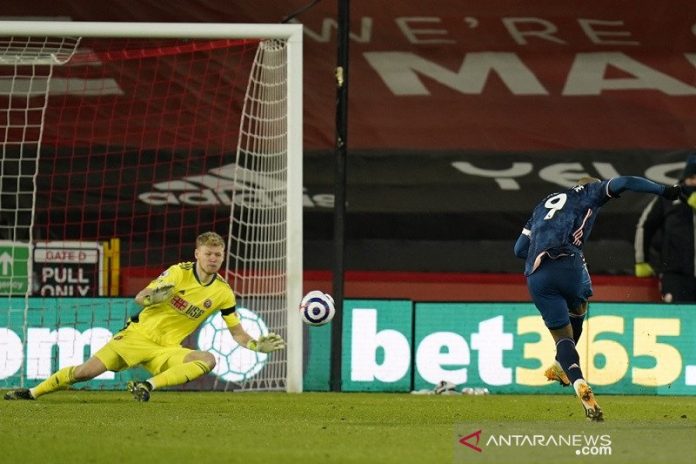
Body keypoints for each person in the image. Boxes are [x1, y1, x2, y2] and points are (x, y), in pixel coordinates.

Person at [4, 231, 285, 402]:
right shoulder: (177, 273)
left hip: (166, 349)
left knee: (208, 359)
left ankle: (146, 385)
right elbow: (141, 297)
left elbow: (236, 331)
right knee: (83, 373)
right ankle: (32, 392)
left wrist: (255, 346)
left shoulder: (223, 292)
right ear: (197, 253)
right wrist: (154, 297)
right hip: (136, 337)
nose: (214, 259)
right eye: (209, 253)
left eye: (218, 254)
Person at [513, 176, 681, 421]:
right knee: (579, 306)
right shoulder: (590, 192)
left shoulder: (544, 204)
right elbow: (624, 182)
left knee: (562, 338)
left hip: (537, 274)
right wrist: (665, 191)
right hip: (569, 264)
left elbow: (518, 250)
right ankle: (562, 365)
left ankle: (576, 379)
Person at [634, 154, 696, 302]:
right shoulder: (668, 197)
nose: (694, 182)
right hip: (675, 276)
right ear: (685, 178)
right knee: (678, 318)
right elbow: (645, 226)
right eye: (692, 177)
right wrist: (641, 260)